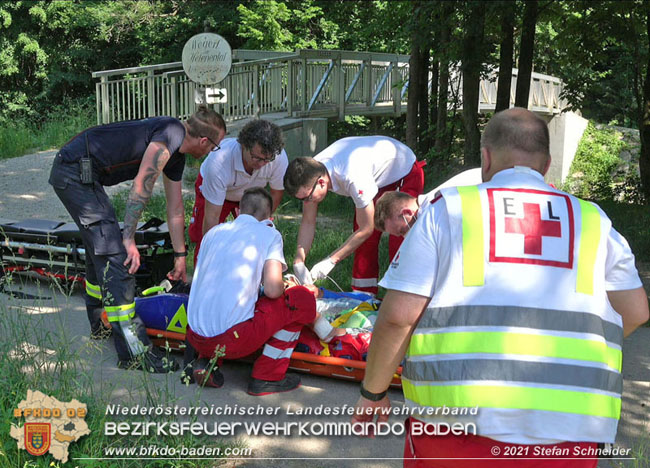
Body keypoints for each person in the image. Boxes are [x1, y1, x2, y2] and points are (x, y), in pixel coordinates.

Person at [352, 108, 649, 467]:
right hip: (571, 427)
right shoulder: (593, 221)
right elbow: (634, 312)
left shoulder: (448, 211)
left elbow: (399, 317)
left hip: (458, 421)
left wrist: (374, 392)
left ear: (486, 157)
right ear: (547, 163)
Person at [49, 105, 226, 373]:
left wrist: (180, 257)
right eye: (215, 147)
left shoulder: (177, 155)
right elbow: (142, 184)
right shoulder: (171, 133)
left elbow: (175, 209)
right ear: (204, 141)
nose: (212, 152)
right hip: (74, 171)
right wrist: (128, 238)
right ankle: (135, 353)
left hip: (81, 172)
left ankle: (101, 325)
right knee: (115, 256)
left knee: (101, 247)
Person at [185, 187, 343, 395]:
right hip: (232, 340)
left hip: (194, 336)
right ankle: (268, 375)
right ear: (269, 218)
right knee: (301, 298)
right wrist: (289, 286)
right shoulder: (269, 234)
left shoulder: (213, 233)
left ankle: (206, 361)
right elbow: (273, 290)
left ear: (239, 212)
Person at [283, 136, 425, 295]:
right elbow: (308, 221)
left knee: (398, 236)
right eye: (302, 199)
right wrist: (299, 259)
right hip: (376, 177)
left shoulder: (352, 176)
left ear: (322, 183)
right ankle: (363, 296)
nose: (307, 202)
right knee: (361, 237)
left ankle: (404, 293)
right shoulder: (310, 173)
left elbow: (367, 228)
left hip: (404, 173)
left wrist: (331, 260)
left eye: (308, 198)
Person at [188, 119, 288, 263]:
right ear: (243, 146)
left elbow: (276, 193)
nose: (261, 164)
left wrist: (263, 220)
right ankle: (203, 276)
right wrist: (209, 252)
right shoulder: (219, 162)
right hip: (216, 193)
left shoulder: (278, 158)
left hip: (250, 195)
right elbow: (211, 220)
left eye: (266, 160)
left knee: (255, 237)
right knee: (202, 237)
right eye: (256, 158)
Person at [375, 168, 482, 237]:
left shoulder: (434, 211)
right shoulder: (430, 205)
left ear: (407, 213)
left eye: (402, 231)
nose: (405, 237)